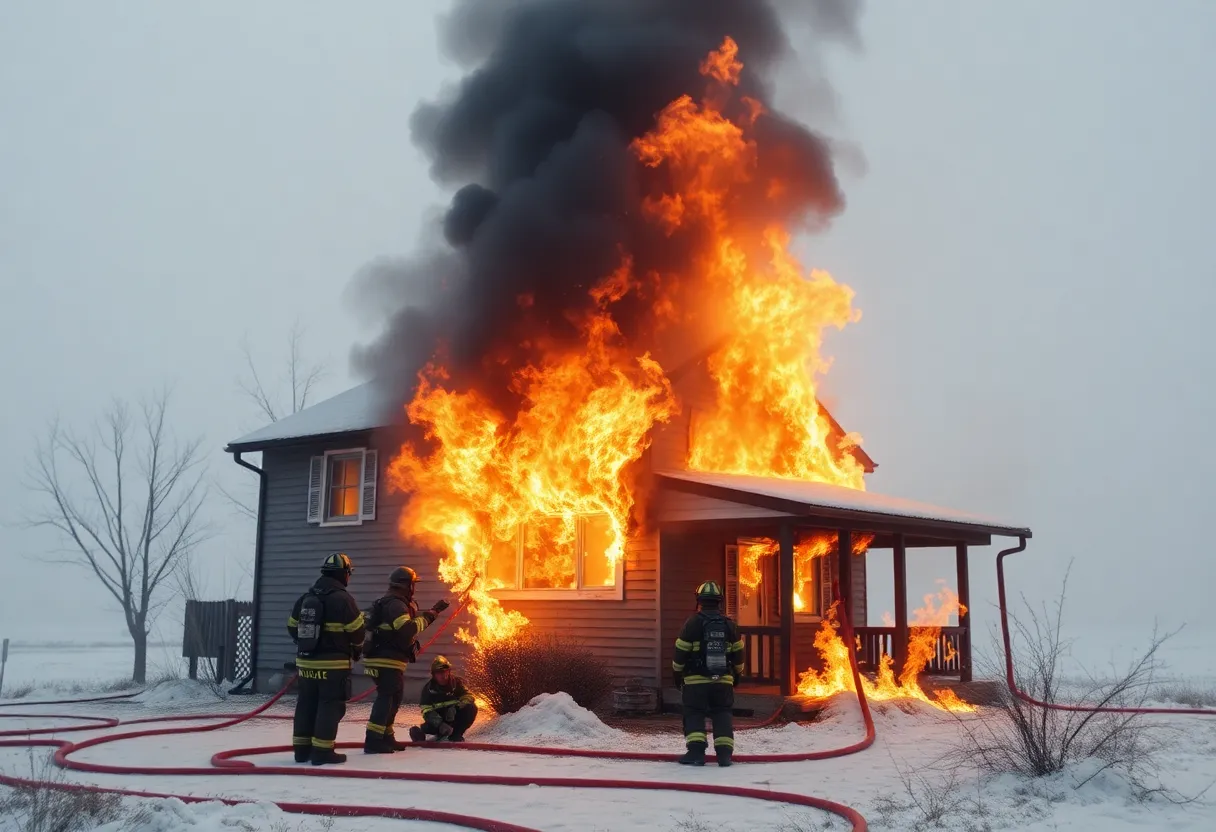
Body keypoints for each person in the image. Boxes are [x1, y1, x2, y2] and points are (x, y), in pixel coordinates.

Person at [287, 552, 365, 766]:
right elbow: (358, 632)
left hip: (305, 664)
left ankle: (302, 751)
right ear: (343, 574)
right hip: (333, 665)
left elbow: (292, 627)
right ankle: (322, 752)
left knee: (306, 703)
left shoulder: (306, 598)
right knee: (330, 704)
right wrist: (355, 648)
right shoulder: (343, 599)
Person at [362, 566, 450, 754]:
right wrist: (430, 615)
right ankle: (373, 740)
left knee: (394, 698)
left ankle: (386, 737)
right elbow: (407, 629)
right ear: (406, 585)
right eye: (413, 585)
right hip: (385, 660)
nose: (414, 589)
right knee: (387, 697)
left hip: (387, 659)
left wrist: (432, 612)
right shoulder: (395, 604)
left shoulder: (392, 603)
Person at [671, 580, 745, 767]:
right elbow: (738, 656)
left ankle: (696, 754)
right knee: (722, 713)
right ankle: (724, 756)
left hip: (695, 682)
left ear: (699, 600)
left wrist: (677, 675)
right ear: (719, 601)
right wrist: (736, 675)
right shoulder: (730, 625)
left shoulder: (692, 623)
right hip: (723, 681)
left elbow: (680, 653)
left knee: (694, 713)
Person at [409, 656, 477, 743]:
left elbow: (469, 696)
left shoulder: (456, 683)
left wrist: (458, 707)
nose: (443, 675)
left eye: (445, 671)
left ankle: (456, 735)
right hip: (437, 719)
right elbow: (427, 711)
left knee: (471, 707)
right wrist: (440, 724)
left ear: (449, 671)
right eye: (439, 673)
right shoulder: (428, 690)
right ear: (434, 674)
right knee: (427, 728)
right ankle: (422, 735)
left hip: (454, 716)